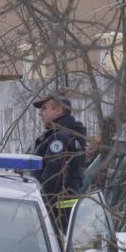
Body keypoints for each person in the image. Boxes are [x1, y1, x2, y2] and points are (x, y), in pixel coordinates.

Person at [29, 92, 87, 230]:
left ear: (58, 110)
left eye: (44, 108)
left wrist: (40, 208)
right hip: (62, 213)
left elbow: (53, 179)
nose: (40, 113)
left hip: (55, 214)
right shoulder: (69, 134)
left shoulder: (59, 138)